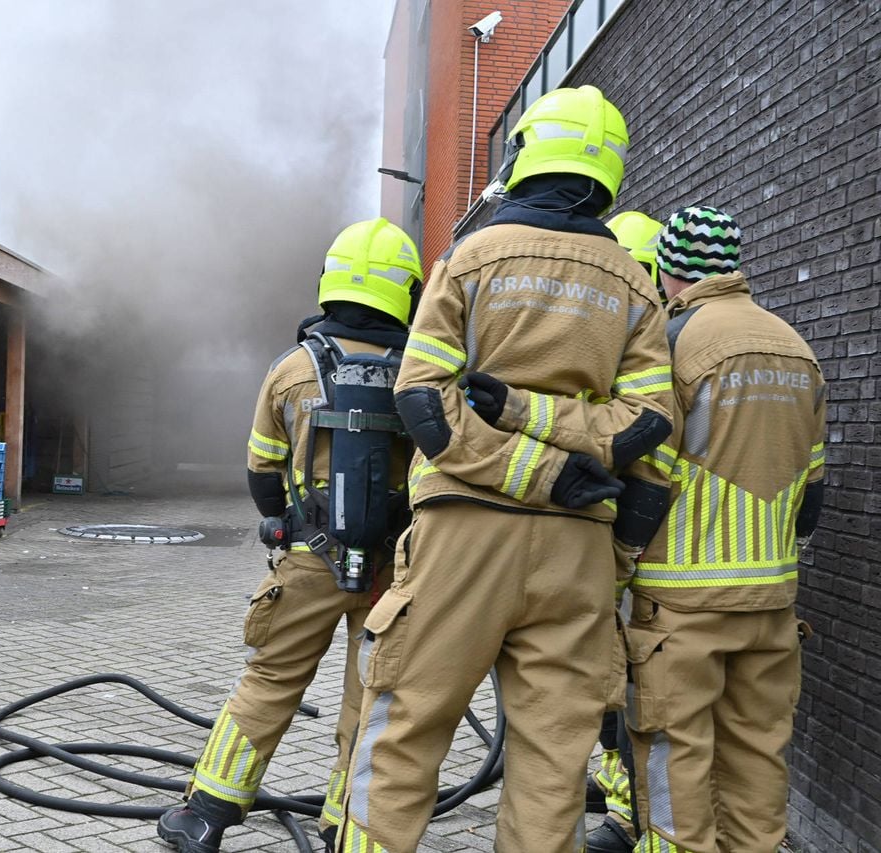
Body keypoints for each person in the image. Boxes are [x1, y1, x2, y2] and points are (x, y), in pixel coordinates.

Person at [335, 85, 675, 853]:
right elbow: (648, 426)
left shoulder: (469, 258)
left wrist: (519, 445)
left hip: (461, 533)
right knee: (555, 760)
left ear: (524, 155)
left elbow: (421, 401)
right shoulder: (636, 286)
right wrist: (561, 466)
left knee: (404, 735)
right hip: (578, 553)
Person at [157, 218, 422, 853]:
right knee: (375, 698)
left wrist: (282, 521)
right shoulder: (421, 369)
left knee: (271, 680)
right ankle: (347, 827)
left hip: (310, 560)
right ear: (406, 291)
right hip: (393, 569)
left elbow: (260, 468)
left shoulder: (292, 370)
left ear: (330, 281)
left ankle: (206, 816)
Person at [623, 206, 825, 853]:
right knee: (758, 758)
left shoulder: (673, 343)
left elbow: (649, 478)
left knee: (674, 762)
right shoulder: (796, 349)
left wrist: (616, 565)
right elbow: (811, 498)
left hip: (681, 608)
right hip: (772, 604)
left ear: (669, 271)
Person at [585, 209, 668, 853]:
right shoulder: (636, 348)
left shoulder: (647, 352)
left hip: (634, 551)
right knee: (613, 683)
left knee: (630, 686)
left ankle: (626, 809)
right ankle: (618, 795)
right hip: (621, 544)